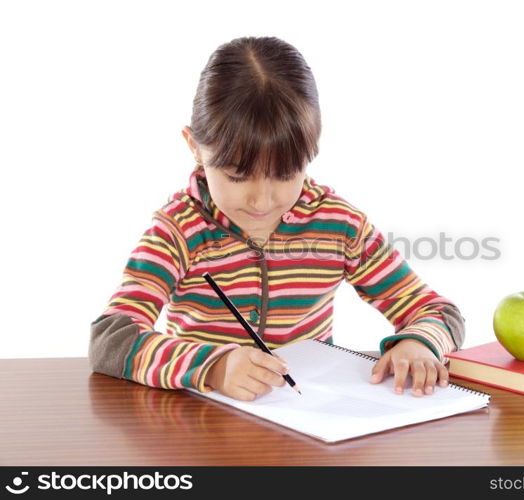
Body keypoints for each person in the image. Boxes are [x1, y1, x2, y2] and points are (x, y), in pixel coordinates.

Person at [89, 36, 466, 402]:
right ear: (194, 147)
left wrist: (420, 341)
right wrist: (215, 367)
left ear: (311, 150)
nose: (261, 200)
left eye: (285, 174)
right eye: (237, 176)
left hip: (310, 426)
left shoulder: (340, 224)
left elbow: (438, 312)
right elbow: (111, 339)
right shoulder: (177, 231)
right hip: (200, 428)